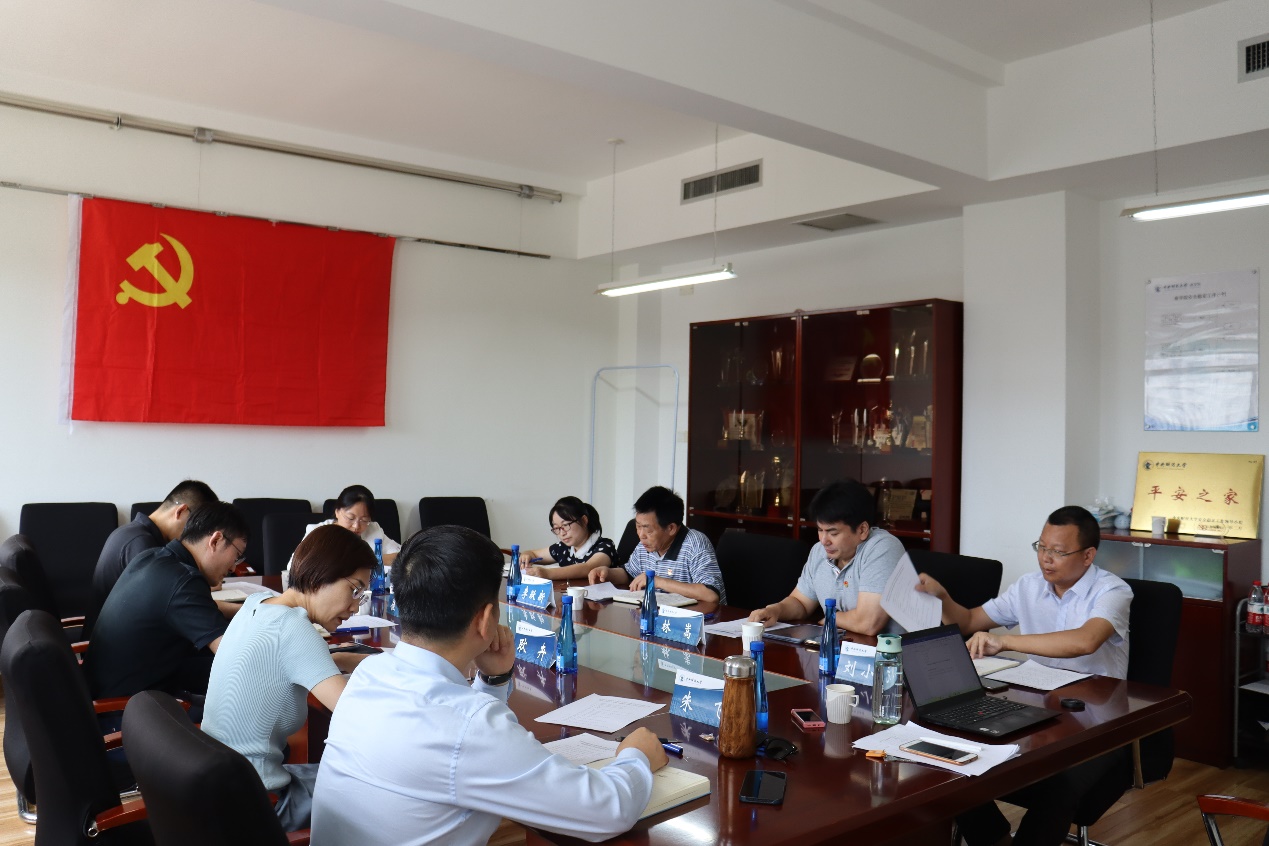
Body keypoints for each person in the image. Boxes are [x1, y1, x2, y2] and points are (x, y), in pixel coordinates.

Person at [310, 525, 667, 846]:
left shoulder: (369, 675)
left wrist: (494, 680)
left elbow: (464, 748)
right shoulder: (469, 727)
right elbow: (606, 811)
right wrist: (635, 756)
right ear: (485, 619)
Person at [917, 505, 1132, 846]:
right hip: (1038, 710)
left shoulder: (1112, 591)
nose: (1046, 558)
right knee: (954, 754)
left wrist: (1004, 642)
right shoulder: (1028, 587)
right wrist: (942, 597)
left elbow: (1085, 641)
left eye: (1058, 551)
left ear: (1088, 555)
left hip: (1096, 723)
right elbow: (969, 621)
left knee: (1058, 786)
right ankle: (993, 839)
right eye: (1041, 547)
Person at [202, 525, 375, 832]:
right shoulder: (295, 630)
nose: (355, 606)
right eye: (354, 590)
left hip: (220, 787)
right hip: (259, 805)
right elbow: (359, 713)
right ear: (321, 574)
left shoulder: (258, 604)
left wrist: (349, 659)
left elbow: (287, 659)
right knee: (380, 793)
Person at [85, 501, 248, 702]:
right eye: (237, 555)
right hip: (128, 708)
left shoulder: (153, 557)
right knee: (250, 690)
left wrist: (249, 609)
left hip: (108, 690)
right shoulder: (184, 580)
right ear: (215, 540)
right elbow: (231, 656)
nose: (233, 568)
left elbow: (204, 611)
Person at [748, 479, 905, 635]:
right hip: (841, 645)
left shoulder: (883, 547)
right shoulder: (819, 551)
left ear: (862, 530)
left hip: (889, 650)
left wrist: (829, 619)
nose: (824, 540)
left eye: (833, 533)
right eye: (820, 530)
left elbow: (868, 623)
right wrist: (776, 610)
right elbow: (801, 603)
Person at [87, 479, 218, 635]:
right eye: (198, 526)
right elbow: (176, 604)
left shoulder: (135, 533)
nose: (197, 536)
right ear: (181, 511)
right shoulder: (141, 544)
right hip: (112, 641)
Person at [588, 486, 725, 603]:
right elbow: (630, 574)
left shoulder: (695, 544)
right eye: (638, 526)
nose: (641, 535)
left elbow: (710, 595)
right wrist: (608, 573)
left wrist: (658, 581)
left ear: (671, 528)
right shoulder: (645, 544)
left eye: (648, 529)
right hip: (659, 615)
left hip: (698, 621)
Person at [292, 484, 400, 567]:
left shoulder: (373, 529)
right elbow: (295, 565)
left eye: (364, 520)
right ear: (337, 512)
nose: (356, 526)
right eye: (350, 518)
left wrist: (367, 560)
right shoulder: (317, 531)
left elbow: (401, 556)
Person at [520, 496, 617, 581]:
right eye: (556, 528)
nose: (562, 533)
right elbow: (533, 554)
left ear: (584, 520)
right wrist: (526, 555)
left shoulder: (604, 546)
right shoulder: (563, 547)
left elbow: (588, 567)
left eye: (566, 525)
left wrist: (547, 573)